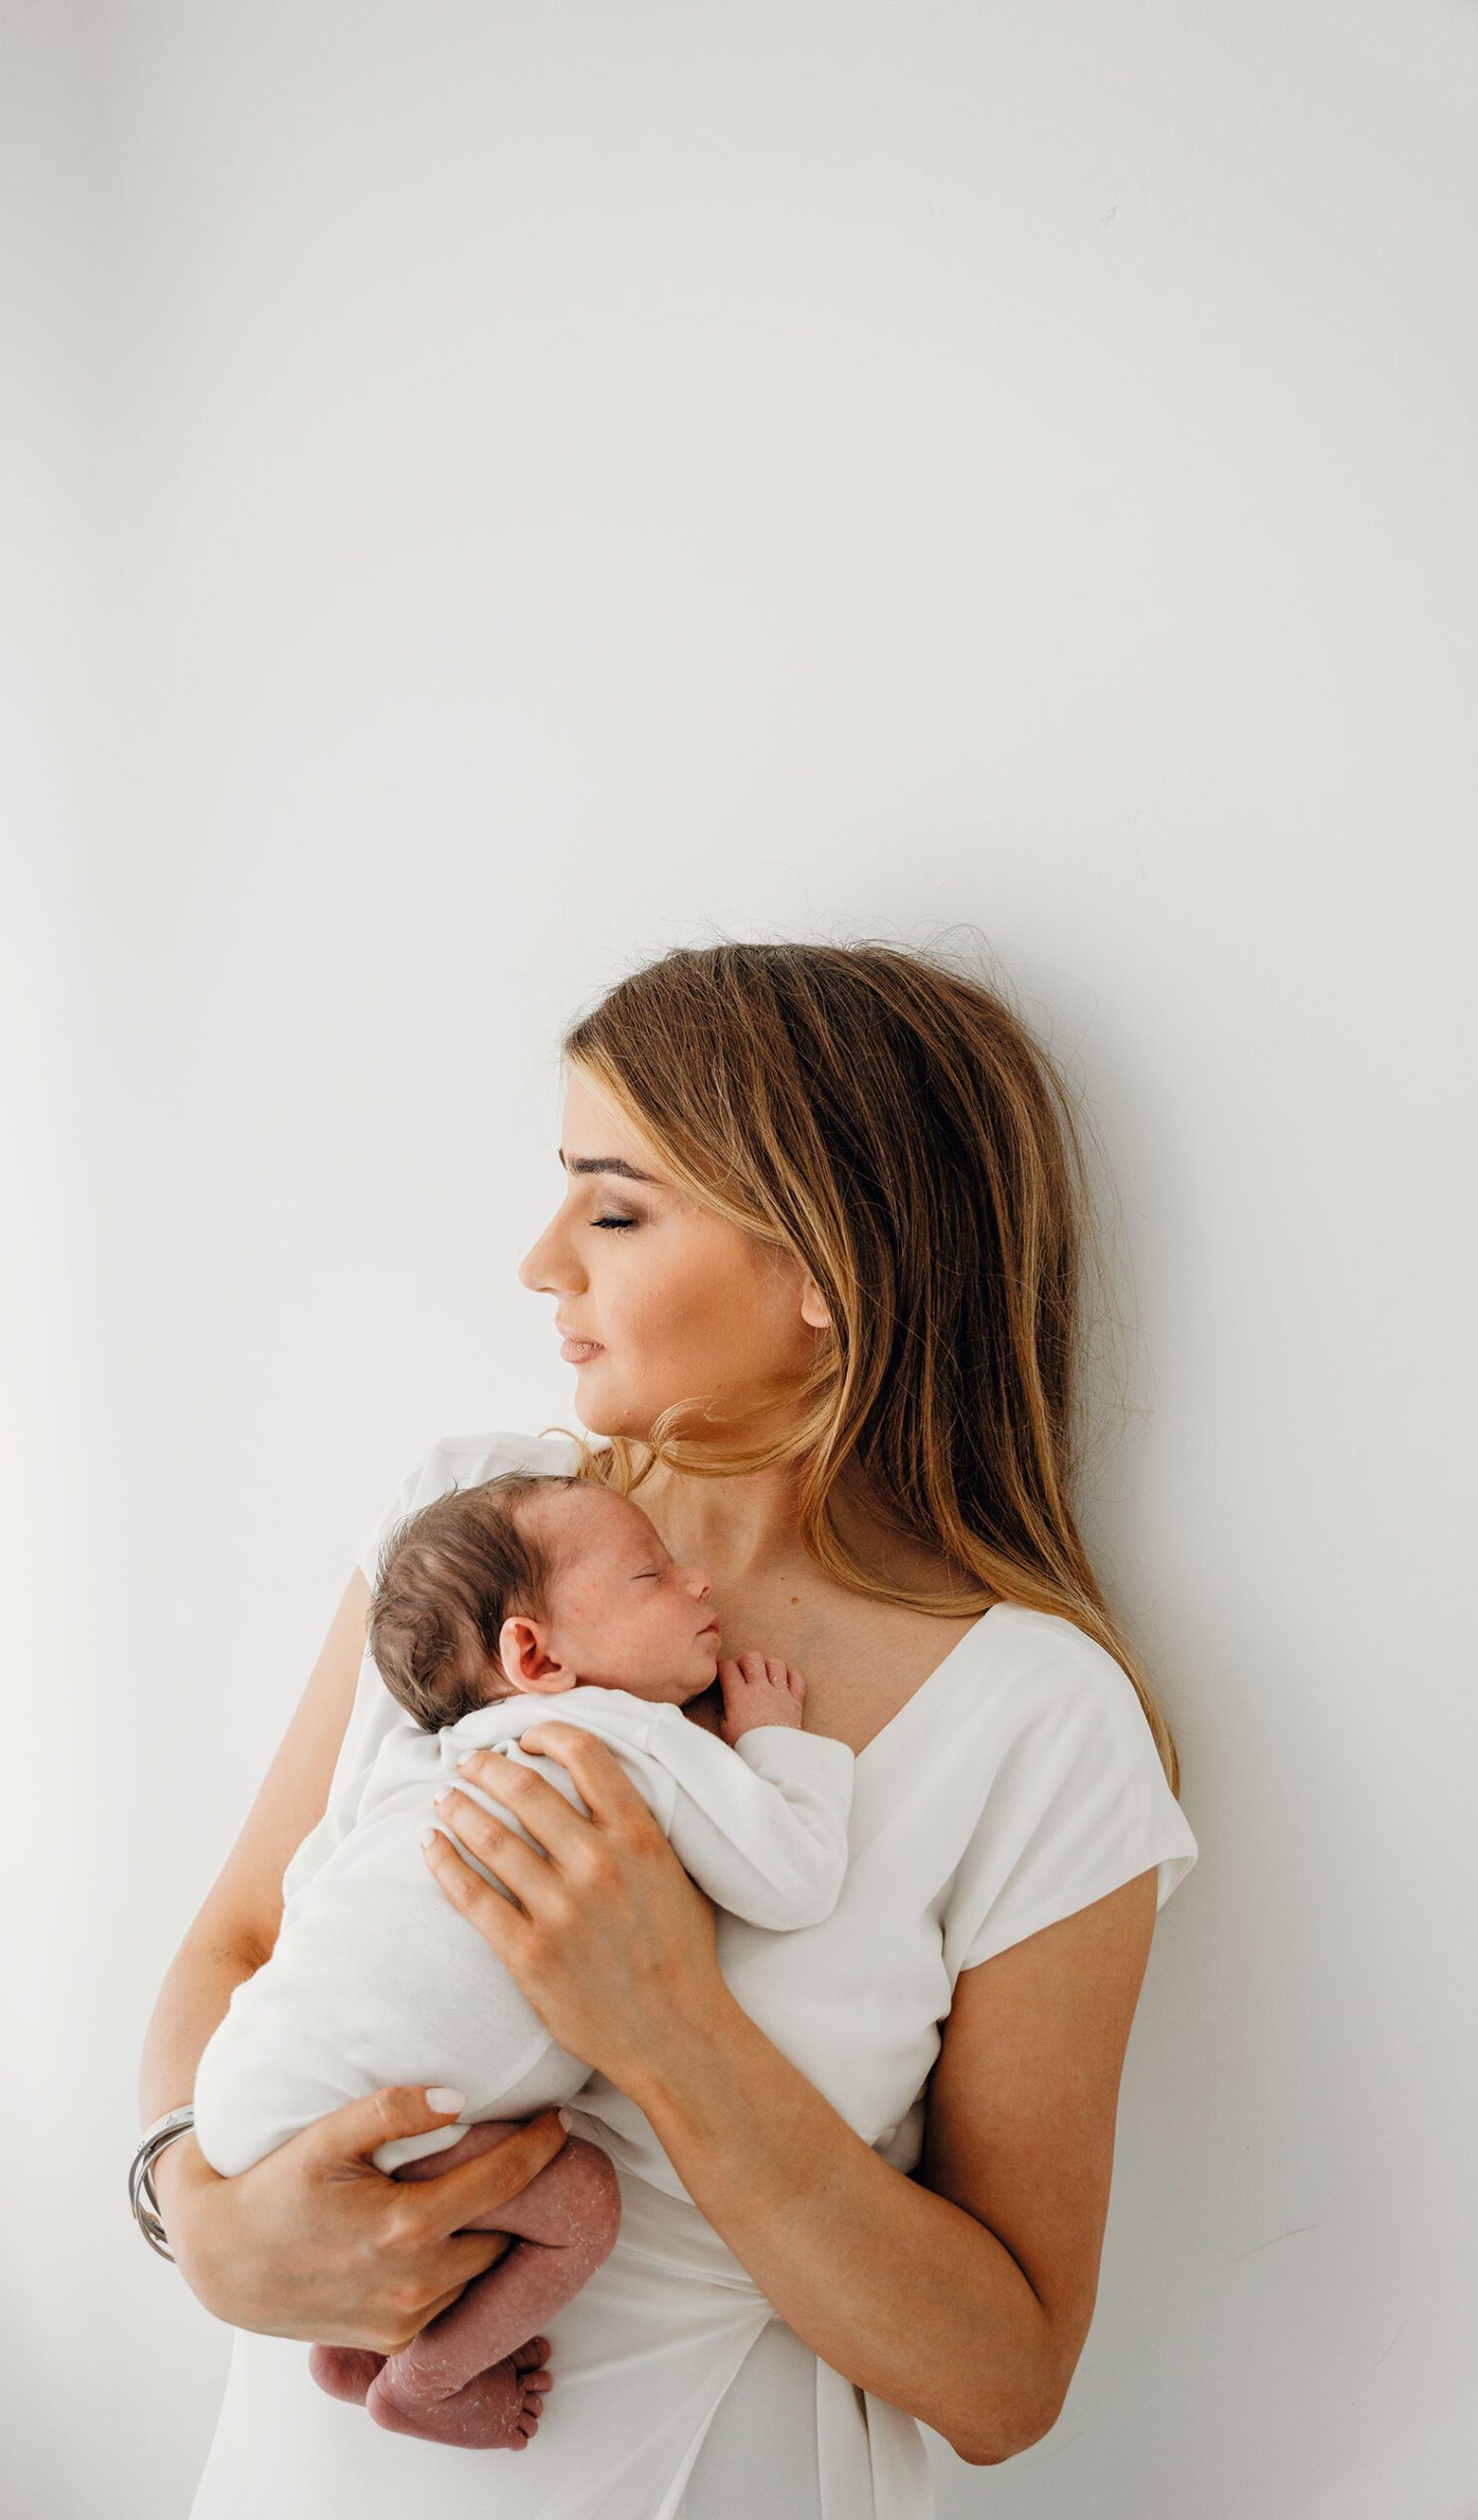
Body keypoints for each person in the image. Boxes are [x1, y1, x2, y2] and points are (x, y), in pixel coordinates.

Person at [136, 936, 1200, 2519]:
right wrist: (188, 2204)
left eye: (614, 1207)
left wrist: (659, 2022)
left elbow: (1005, 2381)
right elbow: (240, 1935)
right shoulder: (470, 1534)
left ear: (823, 1273)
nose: (538, 1262)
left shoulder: (1034, 1720)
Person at [188, 1467, 853, 2448]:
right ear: (536, 1654)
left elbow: (307, 1888)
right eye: (652, 1575)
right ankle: (430, 2376)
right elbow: (793, 1877)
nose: (699, 1582)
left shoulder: (426, 1757)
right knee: (580, 2200)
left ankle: (351, 2343)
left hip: (239, 2087)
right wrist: (774, 1744)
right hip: (357, 2116)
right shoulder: (625, 1737)